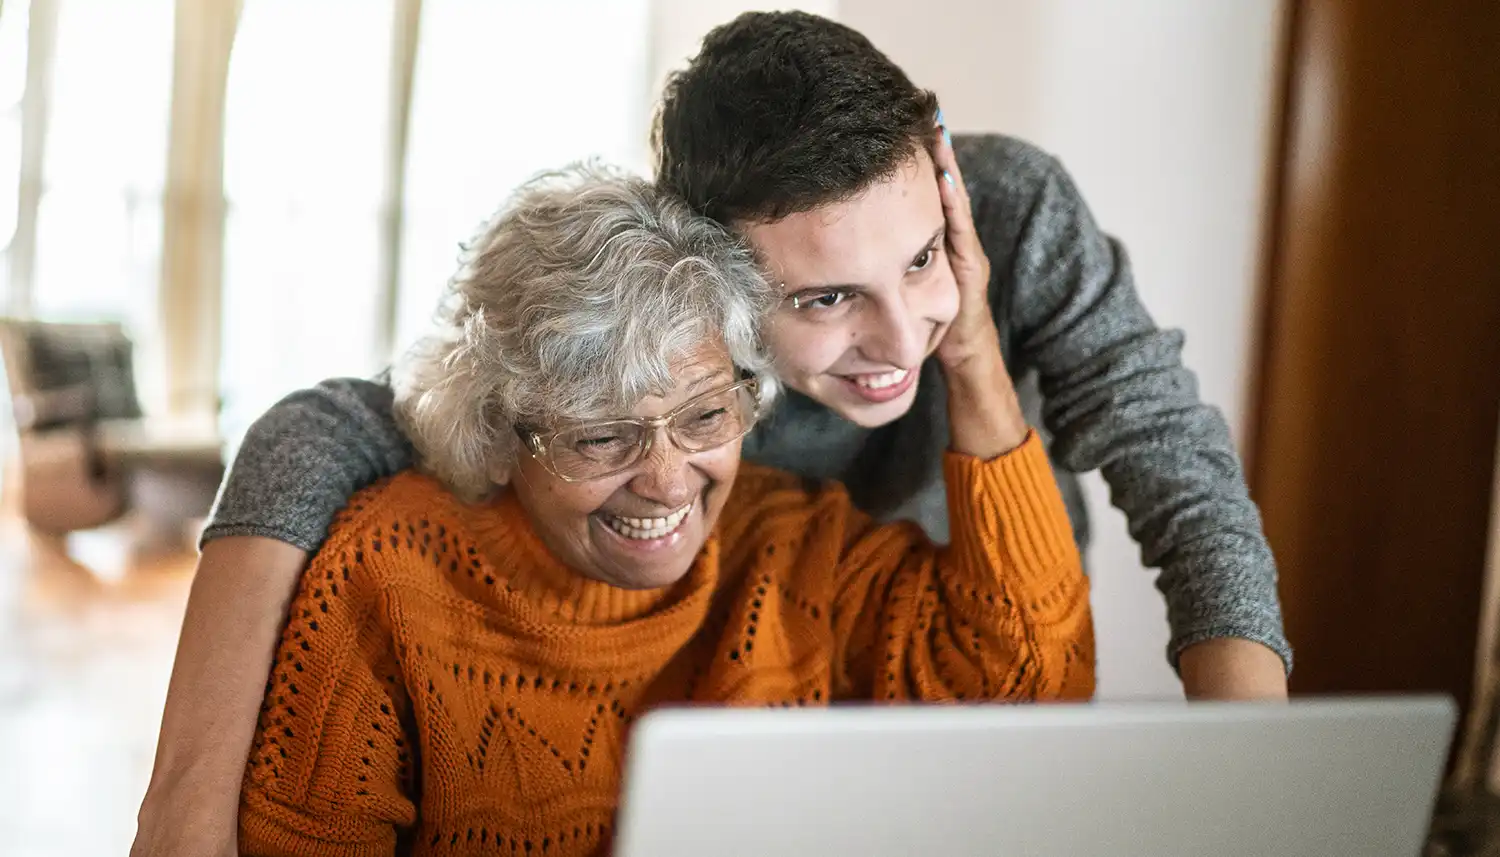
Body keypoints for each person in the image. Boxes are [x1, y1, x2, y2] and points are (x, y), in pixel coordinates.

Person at [133, 10, 1288, 856]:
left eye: (924, 259)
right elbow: (355, 418)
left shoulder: (996, 218)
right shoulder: (664, 342)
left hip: (964, 629)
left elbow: (1171, 462)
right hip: (737, 679)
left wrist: (1259, 794)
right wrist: (183, 804)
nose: (902, 337)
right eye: (826, 300)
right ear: (714, 290)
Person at [234, 164, 1093, 855]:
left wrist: (972, 351)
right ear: (499, 427)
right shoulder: (386, 571)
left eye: (706, 416)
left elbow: (1030, 680)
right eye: (602, 437)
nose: (669, 481)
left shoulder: (796, 545)